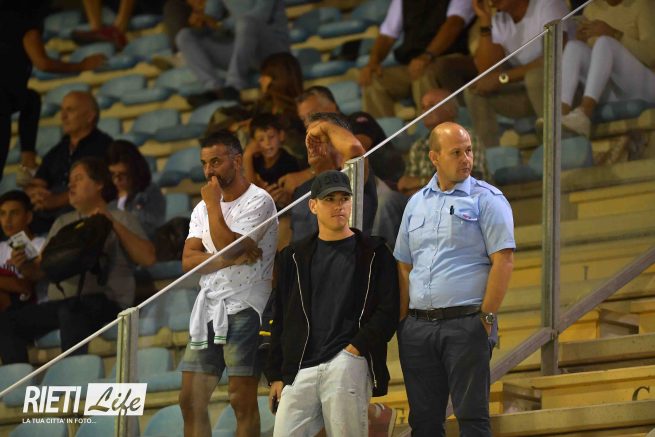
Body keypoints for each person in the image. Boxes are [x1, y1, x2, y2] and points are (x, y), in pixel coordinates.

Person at [394, 122, 515, 436]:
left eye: (469, 151)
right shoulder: (415, 203)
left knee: (471, 417)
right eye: (456, 152)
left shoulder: (487, 199)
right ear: (434, 157)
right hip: (418, 328)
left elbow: (504, 260)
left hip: (467, 323)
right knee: (423, 422)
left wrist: (486, 318)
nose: (466, 159)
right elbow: (404, 265)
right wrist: (404, 322)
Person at [266, 170, 400, 437]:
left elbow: (388, 310)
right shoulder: (293, 257)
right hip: (300, 367)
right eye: (329, 199)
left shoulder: (374, 252)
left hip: (347, 360)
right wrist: (276, 375)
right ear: (313, 205)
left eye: (344, 198)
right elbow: (280, 317)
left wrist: (355, 349)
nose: (338, 205)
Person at [0, 157, 156, 363]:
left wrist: (110, 222)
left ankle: (71, 377)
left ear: (99, 184)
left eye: (79, 179)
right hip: (61, 305)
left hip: (107, 303)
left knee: (71, 311)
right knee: (6, 321)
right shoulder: (62, 222)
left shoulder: (122, 218)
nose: (71, 185)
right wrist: (24, 266)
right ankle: (19, 380)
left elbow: (148, 258)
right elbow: (40, 271)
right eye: (70, 180)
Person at [179, 129, 278, 437]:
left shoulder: (259, 201)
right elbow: (188, 260)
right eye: (204, 164)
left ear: (237, 161)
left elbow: (229, 246)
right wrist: (226, 259)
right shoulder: (200, 208)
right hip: (209, 307)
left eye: (216, 162)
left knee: (240, 399)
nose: (209, 171)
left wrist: (213, 207)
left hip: (247, 305)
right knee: (189, 400)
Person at [0, 5, 105, 179]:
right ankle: (28, 162)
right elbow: (43, 63)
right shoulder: (23, 22)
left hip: (9, 97)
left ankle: (28, 160)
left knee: (31, 99)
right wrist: (81, 65)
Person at [465, 0, 570, 151]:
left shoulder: (547, 5)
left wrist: (503, 78)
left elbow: (553, 57)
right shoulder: (500, 19)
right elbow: (486, 71)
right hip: (528, 92)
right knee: (476, 91)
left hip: (566, 90)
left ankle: (559, 150)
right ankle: (491, 159)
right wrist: (485, 20)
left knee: (535, 77)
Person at [360, 0, 475, 118]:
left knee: (423, 72)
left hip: (448, 59)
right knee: (372, 80)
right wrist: (373, 62)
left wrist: (428, 55)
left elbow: (455, 23)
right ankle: (383, 130)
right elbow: (388, 34)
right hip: (412, 63)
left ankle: (430, 128)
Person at [560, 0, 655, 138]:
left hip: (644, 87)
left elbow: (651, 55)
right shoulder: (592, 9)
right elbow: (598, 60)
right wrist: (582, 40)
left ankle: (584, 113)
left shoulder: (642, 4)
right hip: (612, 90)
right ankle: (560, 115)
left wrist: (615, 34)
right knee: (574, 47)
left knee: (605, 42)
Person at [24, 91, 113, 232]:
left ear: (90, 116)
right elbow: (37, 182)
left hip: (80, 210)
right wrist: (36, 194)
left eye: (70, 110)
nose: (63, 116)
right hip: (47, 209)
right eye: (62, 110)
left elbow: (103, 186)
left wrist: (56, 201)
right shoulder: (57, 150)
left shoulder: (105, 147)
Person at [178, 0, 290, 107]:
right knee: (185, 36)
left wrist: (222, 25)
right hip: (240, 47)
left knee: (246, 22)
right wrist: (203, 21)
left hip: (272, 50)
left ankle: (234, 86)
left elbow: (260, 15)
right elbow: (212, 16)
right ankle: (214, 88)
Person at [289, 113, 377, 243]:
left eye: (318, 137)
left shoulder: (351, 176)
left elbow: (353, 148)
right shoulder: (302, 189)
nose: (311, 144)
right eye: (309, 137)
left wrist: (325, 127)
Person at [347, 111, 407, 251]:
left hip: (395, 195)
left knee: (385, 201)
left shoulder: (355, 119)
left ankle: (382, 257)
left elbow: (357, 147)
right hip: (366, 200)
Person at [397, 89, 460, 196]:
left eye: (431, 105)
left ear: (450, 110)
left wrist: (421, 182)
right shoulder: (418, 146)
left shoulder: (467, 139)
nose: (425, 111)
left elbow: (466, 180)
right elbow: (406, 186)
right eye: (423, 107)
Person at [106, 140, 166, 239]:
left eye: (122, 174)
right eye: (112, 174)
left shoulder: (150, 193)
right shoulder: (110, 196)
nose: (116, 180)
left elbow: (150, 229)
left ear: (134, 171)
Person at [0, 190, 46, 311]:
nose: (7, 220)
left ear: (28, 217)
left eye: (14, 213)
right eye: (3, 214)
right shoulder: (1, 248)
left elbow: (26, 287)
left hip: (38, 308)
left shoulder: (43, 245)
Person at [243, 114, 300, 209]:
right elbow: (248, 190)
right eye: (261, 139)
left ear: (281, 136)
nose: (267, 143)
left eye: (271, 137)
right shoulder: (256, 159)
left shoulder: (289, 162)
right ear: (253, 142)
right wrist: (247, 156)